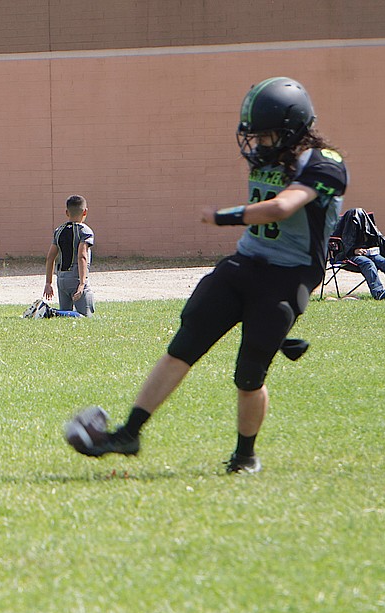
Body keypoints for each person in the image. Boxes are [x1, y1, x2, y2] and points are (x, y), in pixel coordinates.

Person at [65, 76, 348, 474]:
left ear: (293, 129)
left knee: (249, 373)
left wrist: (222, 216)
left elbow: (283, 206)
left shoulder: (325, 163)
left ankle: (245, 456)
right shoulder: (272, 156)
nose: (260, 144)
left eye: (267, 135)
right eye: (257, 135)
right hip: (246, 263)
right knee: (186, 340)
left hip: (290, 274)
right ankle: (129, 432)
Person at [334, 208, 385, 299]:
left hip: (371, 253)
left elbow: (380, 239)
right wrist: (353, 251)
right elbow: (342, 246)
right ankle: (378, 291)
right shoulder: (345, 229)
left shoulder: (368, 228)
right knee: (368, 264)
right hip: (351, 256)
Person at [43, 195, 95, 316]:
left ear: (67, 212)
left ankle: (54, 312)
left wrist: (48, 283)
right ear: (85, 211)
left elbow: (50, 257)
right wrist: (82, 284)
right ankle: (50, 312)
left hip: (61, 279)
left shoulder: (59, 230)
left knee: (66, 315)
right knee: (85, 316)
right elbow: (82, 256)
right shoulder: (85, 231)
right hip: (76, 277)